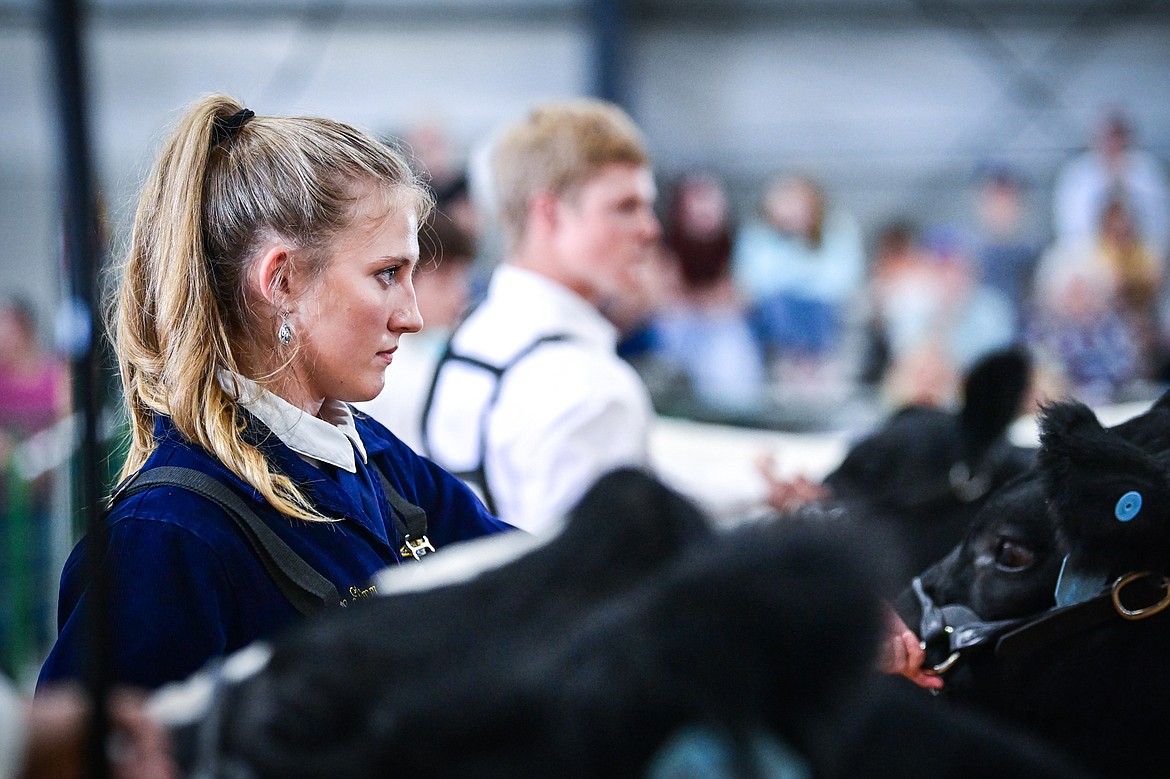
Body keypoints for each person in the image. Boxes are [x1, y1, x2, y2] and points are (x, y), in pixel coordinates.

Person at [37, 95, 512, 691]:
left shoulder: (381, 466)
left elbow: (535, 581)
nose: (412, 316)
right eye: (387, 274)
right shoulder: (165, 538)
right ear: (281, 279)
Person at [421, 99, 661, 533]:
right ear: (549, 212)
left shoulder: (473, 338)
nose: (650, 229)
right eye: (625, 207)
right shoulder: (588, 386)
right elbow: (594, 576)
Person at [356, 211, 476, 451]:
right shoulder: (390, 374)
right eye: (444, 281)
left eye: (462, 278)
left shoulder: (451, 347)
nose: (460, 296)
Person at [731, 173, 866, 386]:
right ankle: (791, 366)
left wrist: (794, 266)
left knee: (816, 306)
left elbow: (841, 283)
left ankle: (816, 368)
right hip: (774, 316)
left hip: (826, 314)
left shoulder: (838, 228)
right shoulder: (758, 232)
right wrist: (804, 268)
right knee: (779, 304)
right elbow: (755, 283)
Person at [1053, 109, 1169, 265]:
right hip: (1090, 256)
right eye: (1109, 137)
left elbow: (1159, 223)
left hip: (1140, 255)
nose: (1113, 143)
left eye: (1118, 136)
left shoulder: (1147, 171)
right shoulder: (1077, 174)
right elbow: (1070, 228)